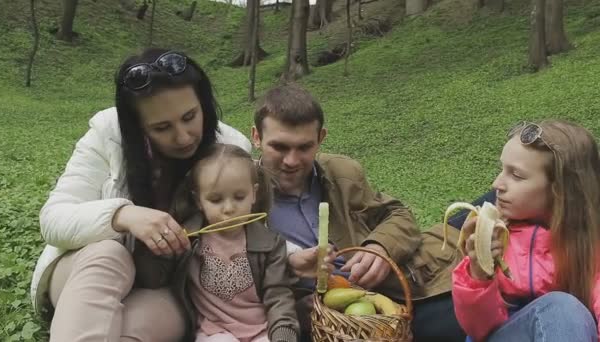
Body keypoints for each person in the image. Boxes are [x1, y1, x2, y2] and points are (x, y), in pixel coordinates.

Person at [30, 48, 251, 341]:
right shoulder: (106, 133)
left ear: (204, 105)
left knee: (129, 331)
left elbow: (249, 235)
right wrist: (123, 216)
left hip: (164, 289)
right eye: (162, 127)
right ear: (137, 126)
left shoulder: (232, 150)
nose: (183, 137)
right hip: (85, 274)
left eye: (189, 116)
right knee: (109, 254)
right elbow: (53, 219)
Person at [250, 84, 465, 342]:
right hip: (323, 323)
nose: (292, 161)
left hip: (388, 297)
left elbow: (399, 215)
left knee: (474, 320)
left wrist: (380, 247)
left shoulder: (342, 172)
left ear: (321, 138)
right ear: (256, 138)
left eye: (304, 147)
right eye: (280, 147)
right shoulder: (240, 193)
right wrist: (294, 306)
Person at [135, 143, 312, 342]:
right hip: (214, 332)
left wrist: (283, 334)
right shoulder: (188, 238)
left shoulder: (271, 244)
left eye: (239, 197)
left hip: (263, 329)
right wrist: (163, 247)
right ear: (199, 200)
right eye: (216, 200)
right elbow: (153, 278)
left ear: (254, 193)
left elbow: (279, 296)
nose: (228, 209)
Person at [452, 120, 600, 342]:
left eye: (516, 175)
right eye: (502, 170)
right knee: (561, 308)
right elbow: (479, 329)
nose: (497, 184)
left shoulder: (590, 247)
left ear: (560, 190)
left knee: (563, 309)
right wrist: (479, 273)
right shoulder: (497, 237)